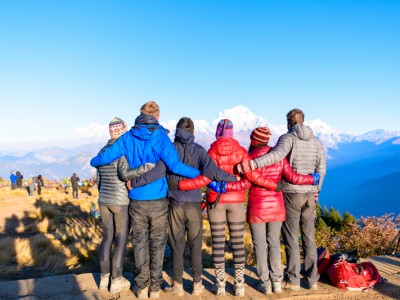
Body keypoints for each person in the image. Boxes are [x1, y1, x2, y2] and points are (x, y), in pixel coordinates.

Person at [90, 101, 200, 299]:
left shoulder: (127, 138)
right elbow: (175, 166)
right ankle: (155, 289)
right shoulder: (161, 138)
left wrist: (93, 161)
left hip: (136, 200)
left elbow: (104, 158)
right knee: (157, 243)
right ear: (157, 116)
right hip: (158, 200)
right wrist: (198, 174)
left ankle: (141, 288)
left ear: (140, 115)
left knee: (140, 242)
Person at [128, 117, 238, 296]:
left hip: (175, 203)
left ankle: (177, 285)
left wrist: (136, 182)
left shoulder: (170, 149)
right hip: (194, 204)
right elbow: (213, 171)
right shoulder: (200, 151)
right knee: (195, 245)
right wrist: (234, 178)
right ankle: (197, 285)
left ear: (177, 131)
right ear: (193, 132)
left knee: (177, 245)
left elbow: (157, 172)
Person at [178, 119, 284, 297]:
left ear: (218, 132)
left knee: (218, 243)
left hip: (216, 202)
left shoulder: (211, 152)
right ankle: (239, 285)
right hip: (236, 203)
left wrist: (182, 186)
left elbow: (205, 178)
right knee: (237, 243)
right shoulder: (241, 151)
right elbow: (250, 178)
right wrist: (273, 186)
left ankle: (220, 286)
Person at [236, 109, 326, 291]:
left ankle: (292, 280)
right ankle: (312, 280)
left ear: (288, 122)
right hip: (309, 194)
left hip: (291, 194)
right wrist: (316, 190)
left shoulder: (287, 138)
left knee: (290, 237)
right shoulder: (317, 142)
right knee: (309, 237)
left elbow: (275, 157)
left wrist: (252, 164)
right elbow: (321, 169)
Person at [96, 117, 156, 294]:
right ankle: (116, 280)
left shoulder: (102, 151)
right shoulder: (122, 150)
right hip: (120, 201)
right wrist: (145, 168)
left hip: (103, 200)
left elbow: (98, 180)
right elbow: (124, 175)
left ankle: (103, 278)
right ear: (122, 132)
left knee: (107, 238)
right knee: (120, 240)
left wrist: (102, 194)